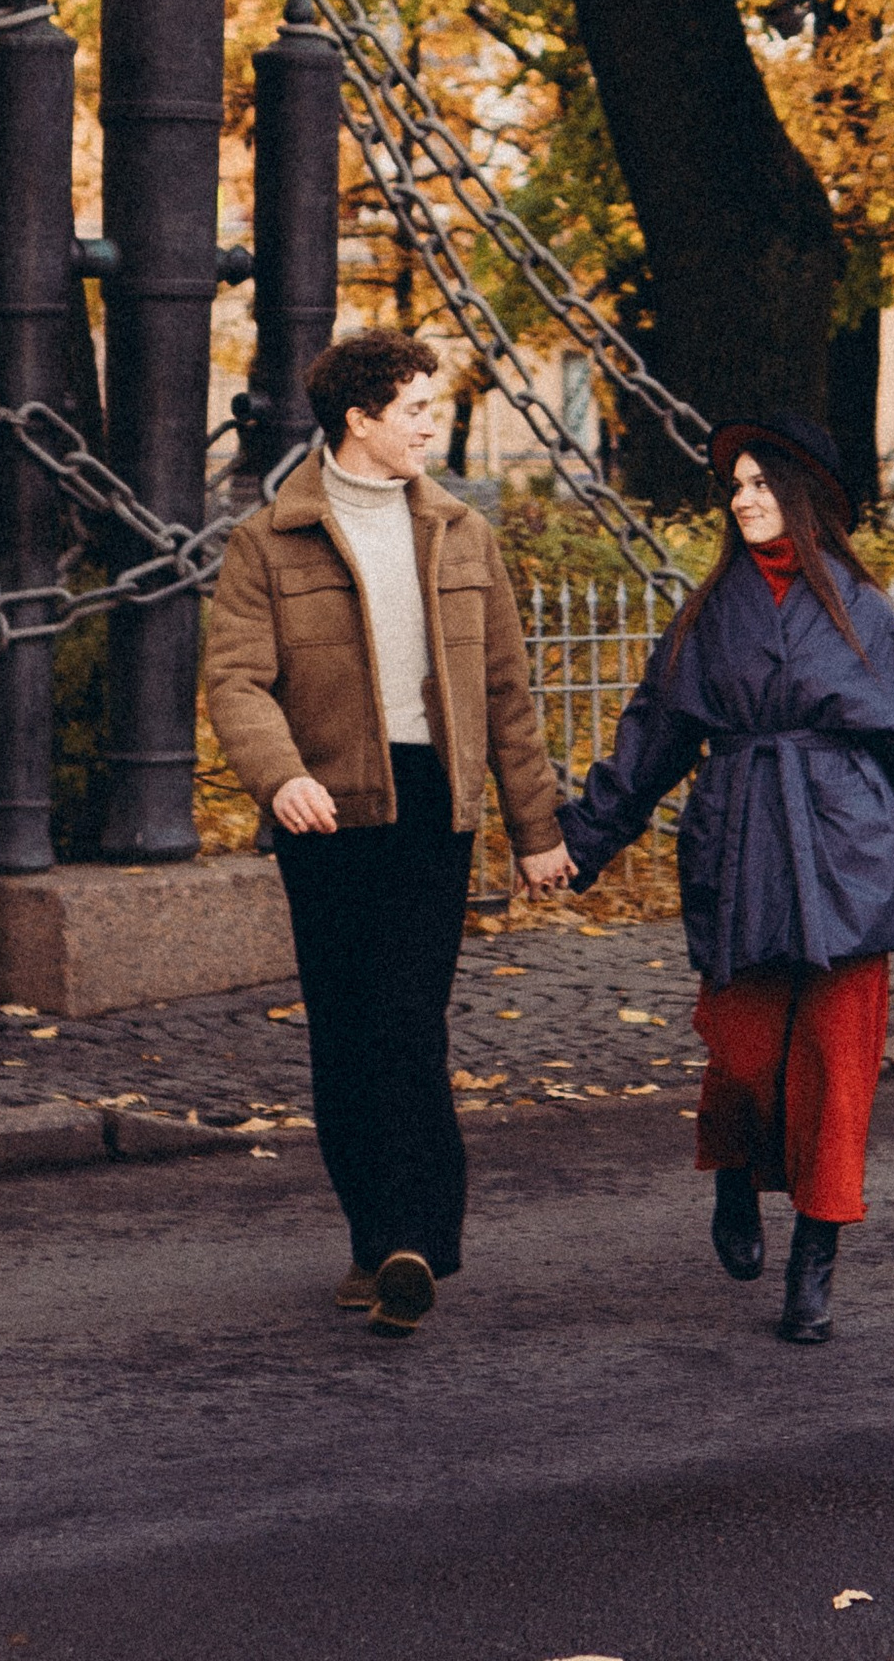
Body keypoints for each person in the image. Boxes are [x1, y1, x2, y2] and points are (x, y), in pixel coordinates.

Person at [558, 412, 894, 1345]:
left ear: (804, 496)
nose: (743, 500)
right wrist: (586, 840)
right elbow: (655, 735)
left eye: (760, 484)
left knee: (836, 1069)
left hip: (850, 854)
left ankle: (815, 1258)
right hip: (740, 845)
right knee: (742, 1055)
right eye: (735, 487)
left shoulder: (864, 612)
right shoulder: (711, 613)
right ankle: (737, 1174)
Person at [206, 329, 572, 1336]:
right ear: (358, 419)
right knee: (344, 1030)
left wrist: (535, 827)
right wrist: (281, 776)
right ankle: (374, 1240)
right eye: (413, 409)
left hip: (430, 804)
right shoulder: (269, 540)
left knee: (407, 1019)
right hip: (324, 809)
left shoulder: (462, 533)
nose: (427, 425)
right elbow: (236, 681)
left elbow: (506, 692)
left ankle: (415, 1239)